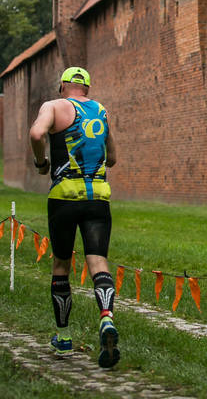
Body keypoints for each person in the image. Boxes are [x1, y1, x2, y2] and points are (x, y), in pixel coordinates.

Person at [29, 66, 120, 368]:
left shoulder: (53, 106)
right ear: (88, 89)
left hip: (64, 199)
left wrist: (41, 161)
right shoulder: (101, 111)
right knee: (98, 262)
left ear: (63, 85)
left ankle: (64, 336)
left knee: (61, 264)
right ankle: (106, 318)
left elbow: (37, 133)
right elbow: (113, 157)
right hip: (98, 199)